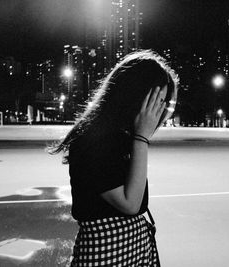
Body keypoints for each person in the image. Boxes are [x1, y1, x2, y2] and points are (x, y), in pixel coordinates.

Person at [50, 50, 179, 266]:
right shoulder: (94, 138)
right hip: (105, 254)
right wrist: (141, 138)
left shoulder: (121, 134)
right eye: (157, 101)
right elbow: (130, 204)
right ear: (135, 95)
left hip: (131, 249)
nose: (160, 110)